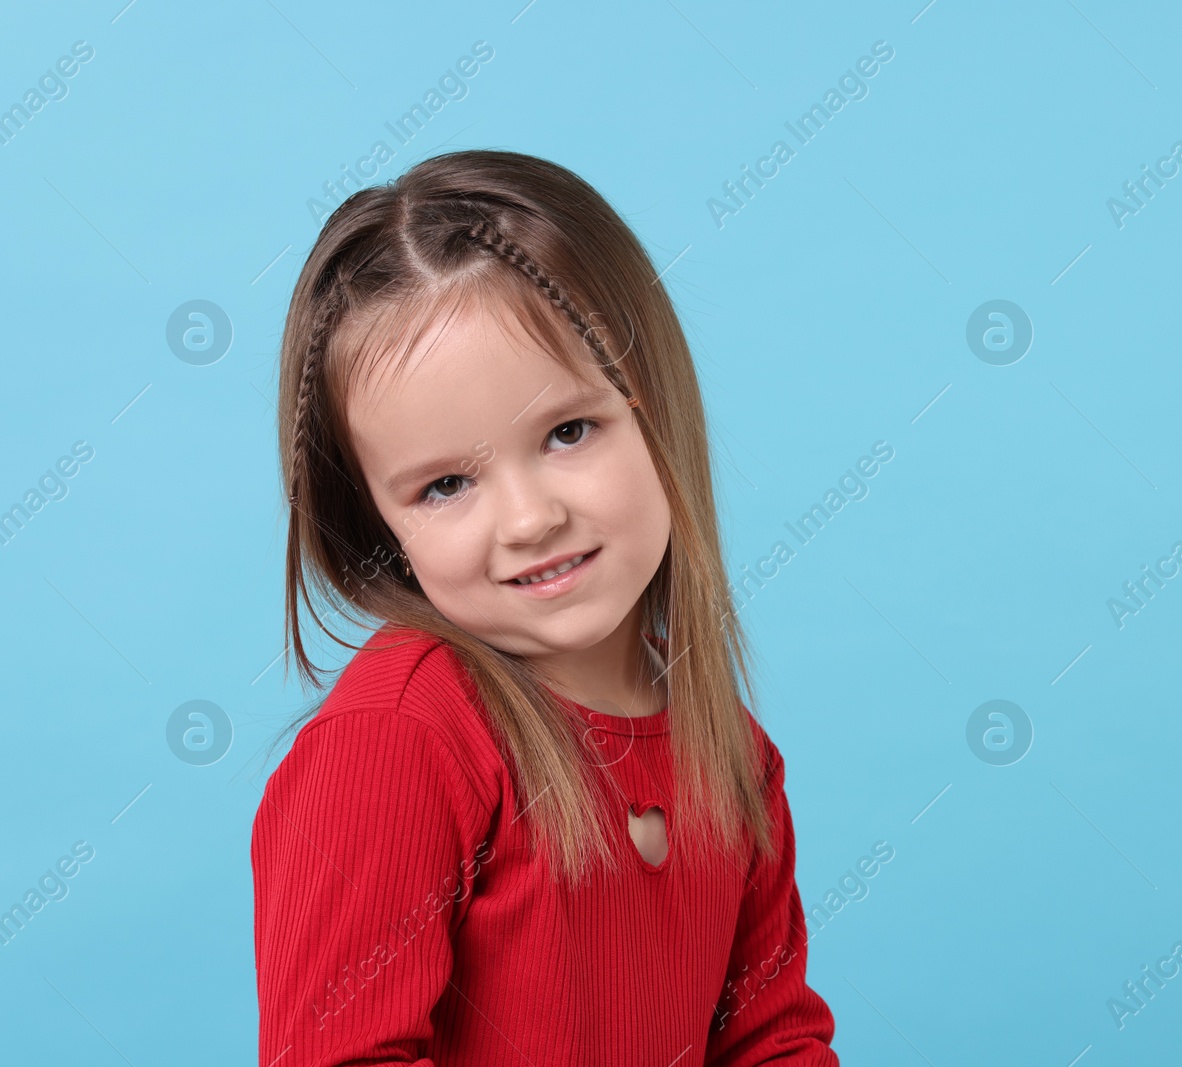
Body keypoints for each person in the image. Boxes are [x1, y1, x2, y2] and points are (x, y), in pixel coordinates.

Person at [251, 149, 839, 1066]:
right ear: (380, 522)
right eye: (446, 484)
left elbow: (773, 1040)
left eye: (569, 431)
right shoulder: (399, 742)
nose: (531, 518)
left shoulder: (731, 756)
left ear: (655, 407)